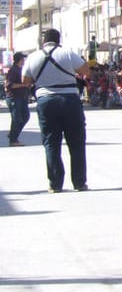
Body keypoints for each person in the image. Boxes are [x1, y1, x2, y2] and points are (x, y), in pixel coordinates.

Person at [21, 29, 91, 193]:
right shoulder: (67, 53)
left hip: (46, 101)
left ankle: (55, 184)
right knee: (76, 142)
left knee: (51, 142)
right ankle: (79, 182)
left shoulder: (33, 57)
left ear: (42, 41)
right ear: (59, 40)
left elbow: (25, 80)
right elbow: (85, 71)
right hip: (70, 100)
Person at [5, 52, 31, 146]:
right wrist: (23, 85)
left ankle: (13, 134)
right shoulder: (13, 70)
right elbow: (9, 85)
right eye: (23, 59)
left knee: (25, 117)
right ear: (19, 60)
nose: (24, 60)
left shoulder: (21, 69)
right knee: (17, 119)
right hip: (14, 98)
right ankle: (13, 139)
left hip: (22, 97)